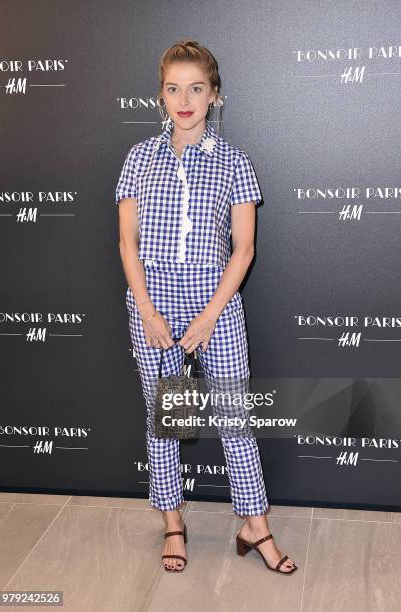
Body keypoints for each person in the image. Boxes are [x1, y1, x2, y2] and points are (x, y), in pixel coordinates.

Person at [115, 40, 297, 575]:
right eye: (173, 88)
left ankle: (254, 525)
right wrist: (148, 310)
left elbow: (244, 250)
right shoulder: (139, 159)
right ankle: (174, 523)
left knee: (234, 417)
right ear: (161, 96)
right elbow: (128, 243)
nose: (184, 99)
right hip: (153, 308)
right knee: (167, 421)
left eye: (196, 88)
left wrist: (210, 314)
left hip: (214, 308)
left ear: (214, 95)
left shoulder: (235, 163)